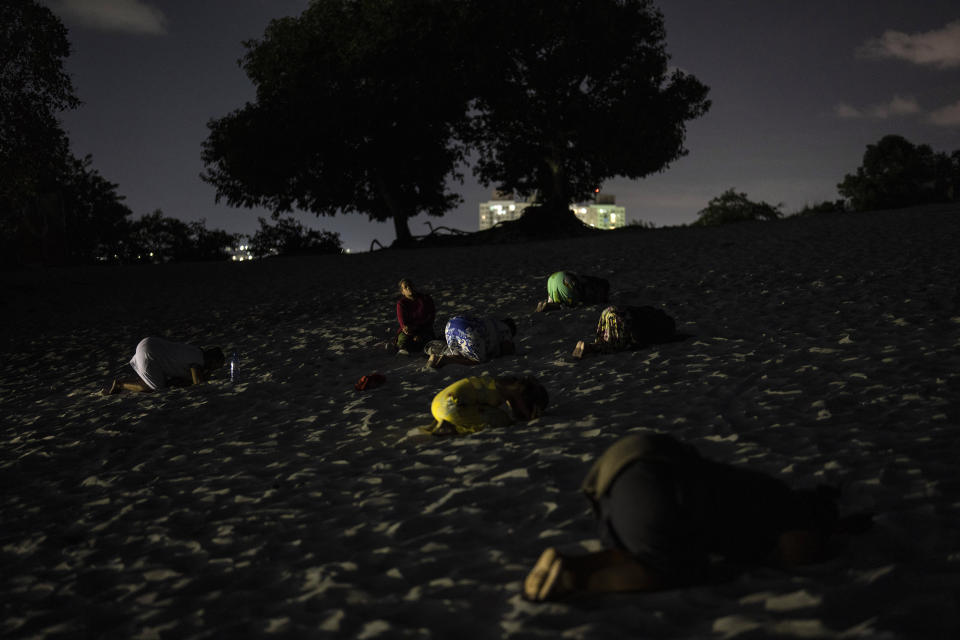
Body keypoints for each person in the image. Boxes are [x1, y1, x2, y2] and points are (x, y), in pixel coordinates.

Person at [523, 432, 870, 601]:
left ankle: (564, 563)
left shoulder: (766, 490)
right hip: (658, 482)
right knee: (674, 571)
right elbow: (799, 549)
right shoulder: (788, 509)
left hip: (624, 467)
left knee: (642, 554)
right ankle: (574, 582)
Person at [422, 375, 548, 435]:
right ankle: (452, 429)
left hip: (438, 404)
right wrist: (530, 415)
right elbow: (519, 410)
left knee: (489, 411)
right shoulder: (514, 389)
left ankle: (446, 423)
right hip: (452, 407)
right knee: (501, 419)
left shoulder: (495, 382)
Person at [103, 337, 225, 395]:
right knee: (154, 388)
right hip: (150, 353)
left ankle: (135, 381)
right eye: (217, 366)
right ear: (212, 361)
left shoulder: (196, 351)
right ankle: (121, 384)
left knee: (154, 378)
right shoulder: (198, 362)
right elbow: (198, 384)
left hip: (148, 343)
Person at [573, 305, 676, 359]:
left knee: (604, 339)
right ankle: (589, 348)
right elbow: (637, 336)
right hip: (621, 317)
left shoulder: (650, 312)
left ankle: (588, 346)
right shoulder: (655, 325)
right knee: (614, 346)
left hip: (609, 310)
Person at [427, 315, 517, 368]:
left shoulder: (492, 322)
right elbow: (507, 350)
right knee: (476, 361)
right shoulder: (506, 329)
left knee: (459, 354)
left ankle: (435, 358)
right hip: (470, 331)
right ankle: (446, 360)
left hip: (453, 323)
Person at [393, 278, 436, 354]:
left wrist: (419, 332)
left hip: (424, 328)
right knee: (403, 340)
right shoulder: (401, 303)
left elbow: (431, 318)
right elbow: (402, 322)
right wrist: (410, 331)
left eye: (410, 285)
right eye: (405, 287)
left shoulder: (426, 299)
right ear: (402, 292)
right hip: (410, 330)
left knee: (426, 341)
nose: (409, 288)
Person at [536, 271, 610, 312]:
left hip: (553, 278)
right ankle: (552, 307)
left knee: (555, 300)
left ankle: (546, 305)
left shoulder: (589, 279)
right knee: (571, 304)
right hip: (568, 282)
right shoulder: (595, 287)